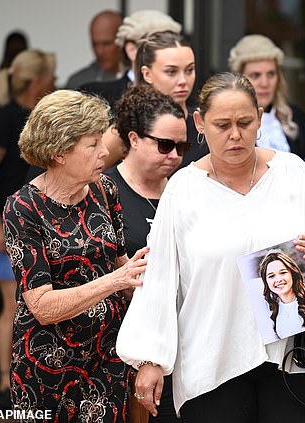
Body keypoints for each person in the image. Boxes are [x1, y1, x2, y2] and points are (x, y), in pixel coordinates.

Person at [116, 72, 305, 422]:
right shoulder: (183, 190)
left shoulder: (293, 173)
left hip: (293, 356)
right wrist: (150, 358)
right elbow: (161, 278)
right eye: (222, 124)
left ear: (260, 116)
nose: (235, 135)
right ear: (199, 122)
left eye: (245, 122)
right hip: (211, 360)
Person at [2, 90, 149, 420]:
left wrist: (146, 273)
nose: (105, 151)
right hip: (47, 367)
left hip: (108, 359)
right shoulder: (23, 208)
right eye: (93, 143)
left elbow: (120, 264)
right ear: (59, 154)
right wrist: (115, 281)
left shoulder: (104, 190)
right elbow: (41, 306)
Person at [0, 48, 55, 411]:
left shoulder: (41, 116)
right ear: (36, 80)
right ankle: (8, 384)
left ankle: (30, 380)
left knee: (36, 302)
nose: (55, 82)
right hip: (5, 224)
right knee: (14, 304)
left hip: (36, 223)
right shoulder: (6, 118)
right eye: (50, 76)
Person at [104, 83, 188, 422]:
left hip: (183, 346)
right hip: (121, 351)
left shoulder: (186, 191)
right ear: (134, 138)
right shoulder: (102, 193)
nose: (175, 157)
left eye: (182, 147)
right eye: (165, 145)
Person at [228, 34, 305, 160]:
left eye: (271, 74)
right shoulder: (225, 122)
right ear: (238, 79)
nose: (265, 83)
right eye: (255, 75)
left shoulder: (296, 118)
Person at [79, 10, 181, 114]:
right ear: (132, 50)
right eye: (159, 46)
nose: (169, 54)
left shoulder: (181, 95)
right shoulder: (97, 96)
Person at [131, 30, 204, 167]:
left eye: (189, 70)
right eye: (171, 72)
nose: (183, 80)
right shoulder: (130, 123)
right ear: (147, 74)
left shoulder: (204, 122)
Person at [259, 250, 305, 339]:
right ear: (266, 282)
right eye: (271, 276)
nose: (278, 280)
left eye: (283, 273)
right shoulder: (271, 310)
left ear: (292, 274)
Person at [65, 10, 123, 89]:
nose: (100, 51)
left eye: (106, 44)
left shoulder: (142, 77)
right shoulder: (79, 83)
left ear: (122, 41)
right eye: (95, 44)